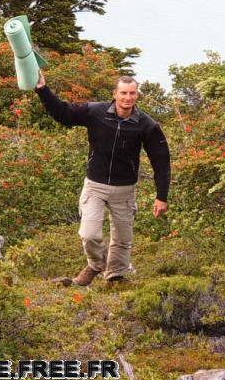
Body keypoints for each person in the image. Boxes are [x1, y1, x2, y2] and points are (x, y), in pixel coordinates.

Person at [34, 71, 171, 285]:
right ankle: (96, 265)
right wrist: (42, 89)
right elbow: (63, 114)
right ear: (115, 94)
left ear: (137, 96)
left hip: (125, 189)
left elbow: (161, 161)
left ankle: (115, 277)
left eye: (132, 93)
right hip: (95, 186)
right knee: (89, 234)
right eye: (123, 93)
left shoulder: (147, 125)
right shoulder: (95, 112)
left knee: (123, 240)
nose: (128, 98)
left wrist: (162, 196)